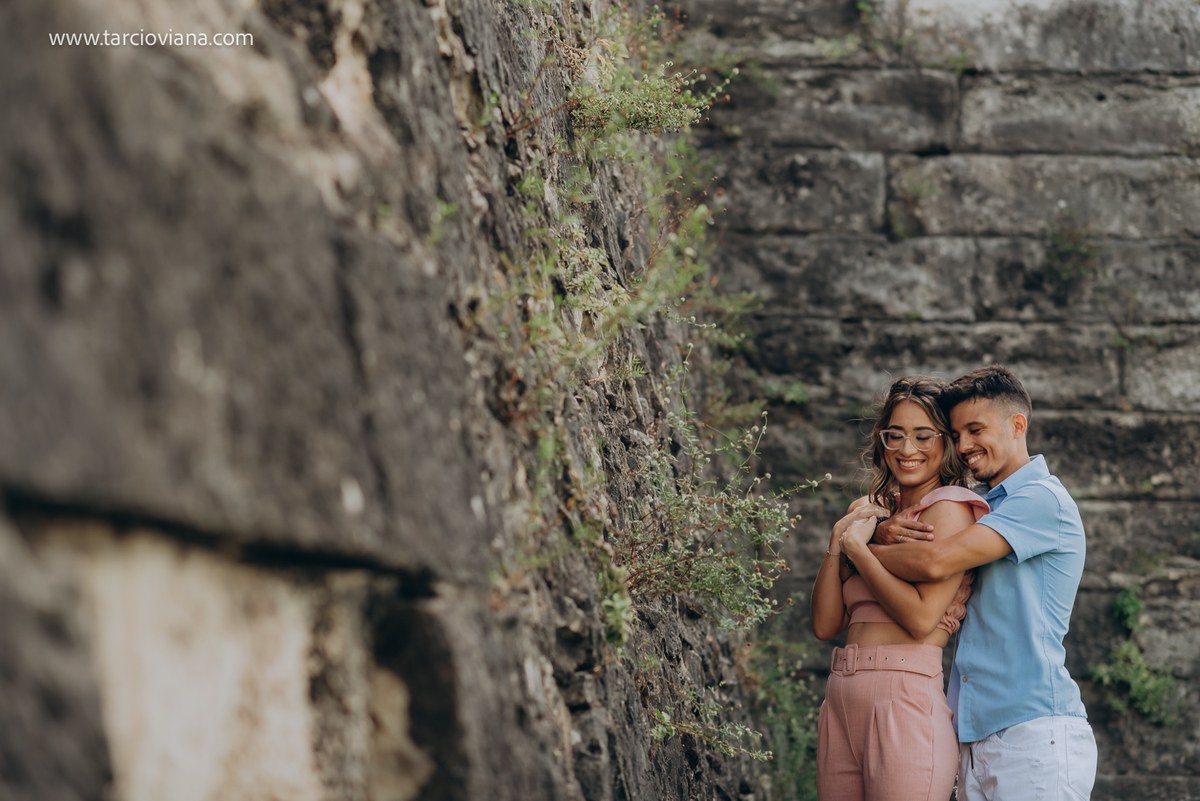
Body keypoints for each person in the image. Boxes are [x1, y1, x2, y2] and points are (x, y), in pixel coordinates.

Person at [865, 365, 1096, 800]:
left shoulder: (1040, 500)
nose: (965, 446)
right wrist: (880, 529)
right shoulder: (984, 505)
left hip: (1034, 734)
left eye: (975, 430)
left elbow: (935, 562)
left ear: (1018, 425)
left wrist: (857, 547)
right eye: (955, 435)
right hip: (974, 737)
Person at [810, 376, 989, 801]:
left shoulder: (951, 510)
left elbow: (920, 617)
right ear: (882, 439)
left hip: (904, 696)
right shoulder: (872, 514)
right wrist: (839, 543)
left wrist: (861, 548)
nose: (908, 450)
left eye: (923, 436)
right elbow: (824, 624)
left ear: (946, 442)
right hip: (841, 694)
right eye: (896, 435)